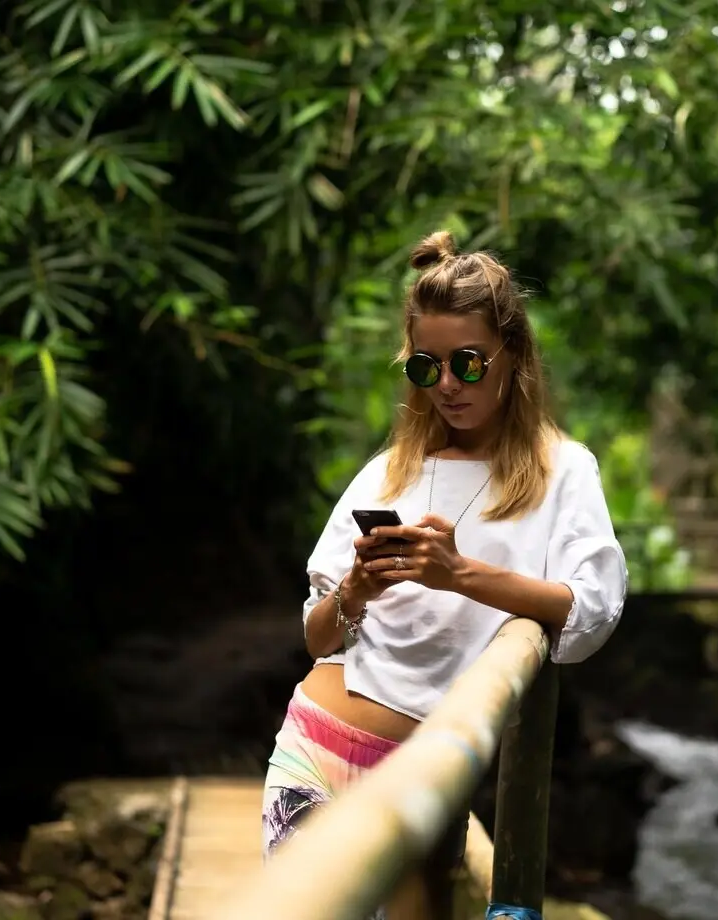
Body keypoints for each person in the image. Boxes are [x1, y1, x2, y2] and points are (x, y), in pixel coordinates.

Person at [259, 230, 629, 919]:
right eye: (426, 369)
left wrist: (460, 574)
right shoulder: (390, 470)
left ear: (512, 355)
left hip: (423, 781)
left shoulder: (562, 471)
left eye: (467, 363)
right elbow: (316, 637)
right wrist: (356, 592)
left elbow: (590, 613)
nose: (449, 386)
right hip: (312, 749)